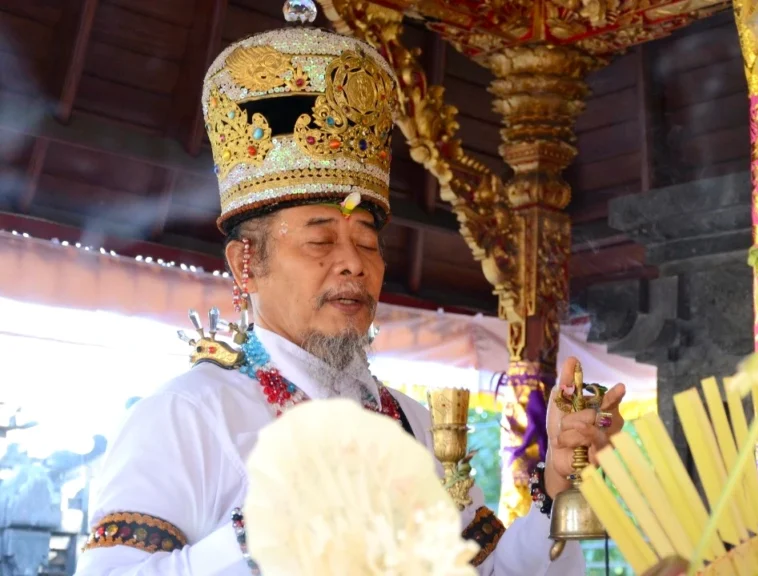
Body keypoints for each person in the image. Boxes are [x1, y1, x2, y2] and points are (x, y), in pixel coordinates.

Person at [74, 27, 626, 575]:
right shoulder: (191, 415)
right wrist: (254, 535)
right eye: (319, 241)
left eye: (367, 242)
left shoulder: (410, 423)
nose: (354, 263)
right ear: (247, 263)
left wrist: (558, 481)